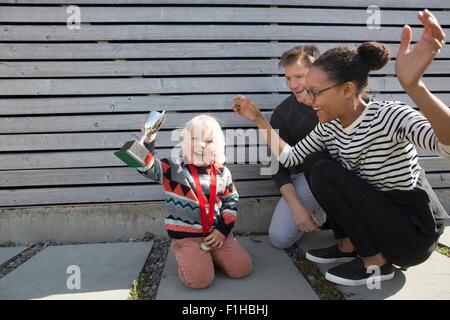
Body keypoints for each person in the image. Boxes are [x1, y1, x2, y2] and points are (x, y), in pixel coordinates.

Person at [232, 9, 449, 286]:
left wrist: (415, 87)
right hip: (377, 222)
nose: (308, 100)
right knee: (315, 163)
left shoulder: (389, 115)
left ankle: (376, 264)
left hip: (411, 233)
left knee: (324, 170)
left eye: (315, 92)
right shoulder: (329, 126)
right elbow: (290, 157)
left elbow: (447, 146)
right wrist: (259, 119)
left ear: (347, 90)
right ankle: (349, 246)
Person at [137, 115, 252, 288]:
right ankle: (186, 253)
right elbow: (147, 167)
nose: (201, 145)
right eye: (194, 139)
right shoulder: (174, 168)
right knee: (199, 281)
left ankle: (211, 254)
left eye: (209, 140)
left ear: (218, 147)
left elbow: (231, 201)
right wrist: (149, 139)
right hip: (188, 237)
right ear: (183, 142)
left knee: (242, 268)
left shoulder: (223, 172)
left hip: (216, 234)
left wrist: (222, 230)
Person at [267, 45, 327, 249]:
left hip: (345, 174)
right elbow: (277, 167)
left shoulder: (338, 102)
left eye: (299, 76)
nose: (292, 84)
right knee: (279, 238)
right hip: (306, 179)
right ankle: (321, 210)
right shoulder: (282, 114)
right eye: (288, 78)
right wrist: (297, 208)